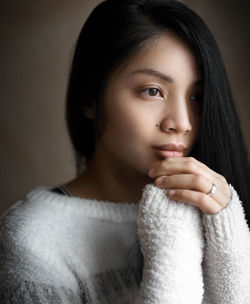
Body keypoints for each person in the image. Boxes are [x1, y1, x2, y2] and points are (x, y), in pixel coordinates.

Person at [0, 0, 250, 303]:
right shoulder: (32, 238)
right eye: (153, 91)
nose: (181, 123)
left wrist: (229, 230)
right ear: (91, 98)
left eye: (196, 96)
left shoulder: (221, 214)